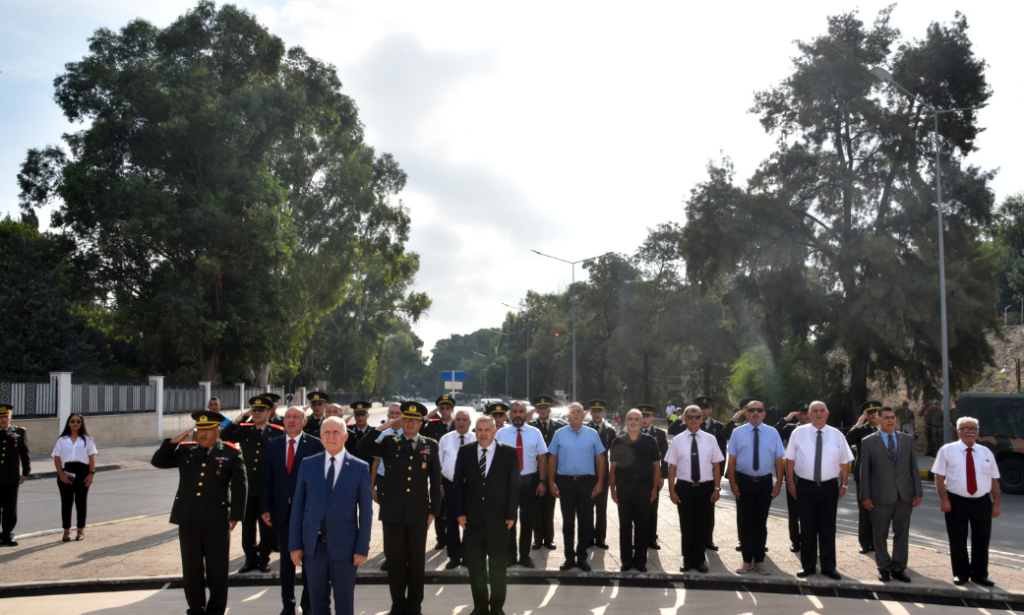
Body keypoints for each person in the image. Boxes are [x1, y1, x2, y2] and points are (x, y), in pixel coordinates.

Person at [151, 410, 246, 615]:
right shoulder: (185, 451)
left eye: (208, 429)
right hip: (188, 518)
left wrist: (236, 515)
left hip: (217, 521)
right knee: (191, 569)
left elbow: (240, 486)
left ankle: (216, 610)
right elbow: (158, 462)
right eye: (200, 429)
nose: (203, 434)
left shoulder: (230, 453)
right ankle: (195, 609)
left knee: (217, 570)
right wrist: (171, 443)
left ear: (217, 431)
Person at [357, 401, 441, 615]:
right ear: (401, 420)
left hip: (418, 513)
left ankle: (414, 605)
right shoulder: (389, 442)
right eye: (406, 419)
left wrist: (433, 511)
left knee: (416, 562)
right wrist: (382, 427)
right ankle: (398, 604)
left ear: (421, 423)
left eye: (414, 420)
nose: (410, 423)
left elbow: (435, 479)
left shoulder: (430, 444)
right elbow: (361, 448)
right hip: (392, 512)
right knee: (395, 562)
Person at [289, 417, 372, 615]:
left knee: (344, 605)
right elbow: (297, 507)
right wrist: (295, 545)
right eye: (327, 432)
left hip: (346, 550)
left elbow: (366, 513)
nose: (331, 436)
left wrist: (362, 548)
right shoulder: (308, 465)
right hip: (313, 549)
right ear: (320, 436)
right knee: (317, 605)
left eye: (336, 432)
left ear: (345, 436)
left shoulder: (360, 468)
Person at [453, 416, 520, 615]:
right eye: (479, 430)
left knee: (498, 566)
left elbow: (514, 486)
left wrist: (511, 513)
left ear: (494, 431)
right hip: (472, 521)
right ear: (475, 431)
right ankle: (480, 606)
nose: (483, 433)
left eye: (487, 430)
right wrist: (459, 512)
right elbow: (457, 484)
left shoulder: (507, 453)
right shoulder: (465, 452)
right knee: (476, 567)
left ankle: (497, 607)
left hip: (499, 520)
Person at [262, 406, 324, 615]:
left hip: (307, 513)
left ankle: (307, 606)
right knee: (287, 563)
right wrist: (265, 507)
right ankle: (288, 606)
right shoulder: (274, 446)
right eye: (287, 417)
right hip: (281, 512)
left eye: (296, 417)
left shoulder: (315, 445)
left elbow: (320, 481)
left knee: (308, 561)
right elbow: (267, 480)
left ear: (304, 422)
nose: (291, 421)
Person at [785, 400, 854, 579]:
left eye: (821, 410)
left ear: (827, 413)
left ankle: (828, 567)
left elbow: (844, 461)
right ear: (808, 414)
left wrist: (844, 484)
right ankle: (808, 566)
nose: (818, 413)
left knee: (827, 529)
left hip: (829, 488)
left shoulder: (836, 434)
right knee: (807, 528)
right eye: (814, 411)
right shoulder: (798, 433)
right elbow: (790, 460)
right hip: (805, 487)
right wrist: (791, 484)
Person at [932, 416, 1002, 587]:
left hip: (982, 502)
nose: (969, 431)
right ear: (958, 432)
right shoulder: (947, 450)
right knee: (957, 539)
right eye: (965, 428)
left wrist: (996, 503)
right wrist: (944, 500)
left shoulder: (986, 453)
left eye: (973, 428)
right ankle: (961, 573)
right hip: (956, 501)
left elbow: (994, 480)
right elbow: (939, 477)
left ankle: (980, 574)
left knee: (982, 539)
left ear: (978, 432)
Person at [221, 395, 286, 573]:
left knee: (266, 526)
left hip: (267, 487)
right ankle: (250, 559)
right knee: (247, 526)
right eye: (254, 410)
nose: (257, 414)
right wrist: (238, 420)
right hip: (246, 488)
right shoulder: (244, 430)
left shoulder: (278, 432)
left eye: (261, 411)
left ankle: (264, 558)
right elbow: (223, 437)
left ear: (268, 412)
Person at [859, 406, 922, 583]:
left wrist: (918, 492)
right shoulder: (869, 442)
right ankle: (884, 567)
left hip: (905, 495)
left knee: (902, 533)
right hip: (880, 495)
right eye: (886, 417)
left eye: (893, 417)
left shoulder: (907, 440)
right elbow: (865, 472)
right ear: (878, 420)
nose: (891, 420)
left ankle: (899, 568)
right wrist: (865, 495)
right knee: (880, 533)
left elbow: (914, 468)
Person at [726, 399, 784, 575]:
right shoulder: (738, 432)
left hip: (765, 483)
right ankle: (746, 560)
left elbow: (778, 460)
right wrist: (733, 483)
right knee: (746, 523)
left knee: (761, 523)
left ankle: (759, 560)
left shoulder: (773, 433)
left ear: (764, 414)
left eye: (759, 410)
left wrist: (779, 482)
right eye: (752, 410)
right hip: (744, 482)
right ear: (747, 413)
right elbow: (732, 460)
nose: (755, 413)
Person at [547, 402, 605, 572]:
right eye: (572, 412)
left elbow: (600, 459)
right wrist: (551, 482)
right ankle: (569, 558)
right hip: (566, 483)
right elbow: (552, 459)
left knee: (586, 522)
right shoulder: (559, 434)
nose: (576, 414)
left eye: (579, 411)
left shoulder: (592, 434)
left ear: (584, 414)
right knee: (568, 522)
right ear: (568, 415)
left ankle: (582, 557)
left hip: (587, 482)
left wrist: (600, 482)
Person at [665, 405, 723, 573]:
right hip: (684, 488)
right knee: (686, 525)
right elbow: (672, 468)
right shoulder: (677, 440)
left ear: (701, 419)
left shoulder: (710, 439)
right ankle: (687, 560)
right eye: (690, 416)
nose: (693, 420)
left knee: (702, 525)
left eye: (697, 416)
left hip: (705, 488)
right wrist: (672, 490)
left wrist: (717, 488)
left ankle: (699, 560)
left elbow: (716, 466)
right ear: (684, 418)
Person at [495, 400, 547, 568]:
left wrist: (542, 481)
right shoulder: (501, 433)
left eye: (521, 411)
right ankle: (510, 555)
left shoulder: (535, 432)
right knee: (509, 520)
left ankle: (525, 556)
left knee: (527, 520)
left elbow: (542, 458)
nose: (518, 414)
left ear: (526, 414)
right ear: (509, 414)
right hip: (507, 483)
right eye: (515, 411)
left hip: (529, 482)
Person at [608, 409, 661, 572]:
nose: (633, 421)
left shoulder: (650, 441)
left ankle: (640, 561)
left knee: (642, 525)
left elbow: (656, 466)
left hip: (644, 488)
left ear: (641, 422)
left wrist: (654, 488)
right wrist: (612, 489)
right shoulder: (617, 441)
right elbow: (613, 468)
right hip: (624, 487)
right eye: (630, 418)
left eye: (636, 419)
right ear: (625, 422)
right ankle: (626, 560)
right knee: (625, 526)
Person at [438, 409, 476, 569]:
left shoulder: (477, 438)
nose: (461, 422)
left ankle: (468, 556)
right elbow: (439, 464)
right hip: (450, 485)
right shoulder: (445, 439)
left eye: (464, 419)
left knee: (470, 522)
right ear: (454, 422)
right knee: (452, 521)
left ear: (470, 422)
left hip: (471, 486)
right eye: (458, 419)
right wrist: (440, 485)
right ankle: (454, 556)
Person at [52, 413, 97, 542]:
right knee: (66, 503)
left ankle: (80, 529)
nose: (75, 423)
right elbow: (57, 458)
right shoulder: (62, 440)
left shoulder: (87, 440)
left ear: (82, 423)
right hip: (67, 473)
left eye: (78, 421)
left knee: (81, 502)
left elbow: (92, 458)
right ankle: (66, 530)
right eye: (73, 421)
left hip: (83, 472)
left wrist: (91, 474)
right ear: (68, 423)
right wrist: (61, 474)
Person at [528, 394, 565, 550]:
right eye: (539, 408)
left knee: (549, 506)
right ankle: (537, 539)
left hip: (553, 472)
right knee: (536, 508)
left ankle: (549, 538)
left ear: (550, 409)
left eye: (545, 408)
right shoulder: (531, 427)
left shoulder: (559, 426)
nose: (542, 411)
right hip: (535, 472)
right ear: (536, 410)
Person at [774, 400, 811, 552]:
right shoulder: (789, 429)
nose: (806, 415)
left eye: (808, 412)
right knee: (794, 511)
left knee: (809, 512)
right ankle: (795, 540)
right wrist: (786, 419)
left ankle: (808, 540)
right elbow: (773, 433)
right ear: (797, 415)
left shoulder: (818, 429)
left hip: (811, 476)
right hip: (793, 475)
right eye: (802, 413)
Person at [846, 400, 881, 554]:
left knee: (881, 511)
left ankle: (878, 542)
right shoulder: (861, 430)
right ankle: (865, 542)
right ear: (865, 415)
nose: (874, 414)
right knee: (865, 511)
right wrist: (859, 423)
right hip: (864, 476)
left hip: (882, 477)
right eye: (870, 412)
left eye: (876, 411)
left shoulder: (886, 428)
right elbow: (847, 441)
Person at [423, 395, 456, 552]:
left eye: (447, 408)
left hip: (456, 471)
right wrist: (429, 415)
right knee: (439, 506)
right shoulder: (432, 425)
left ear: (452, 409)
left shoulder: (460, 424)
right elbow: (419, 430)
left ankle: (453, 537)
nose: (444, 411)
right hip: (437, 471)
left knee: (456, 507)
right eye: (441, 408)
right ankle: (441, 538)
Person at [585, 399, 617, 550]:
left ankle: (600, 538)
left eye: (600, 411)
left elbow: (615, 456)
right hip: (588, 473)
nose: (597, 414)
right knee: (588, 507)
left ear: (604, 413)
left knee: (602, 508)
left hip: (603, 475)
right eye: (594, 411)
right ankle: (589, 537)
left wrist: (613, 477)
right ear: (590, 412)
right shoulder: (584, 429)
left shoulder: (610, 431)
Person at [638, 404, 668, 550]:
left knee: (652, 508)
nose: (644, 419)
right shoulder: (632, 432)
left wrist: (662, 476)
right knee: (636, 509)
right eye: (642, 416)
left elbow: (665, 457)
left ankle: (651, 538)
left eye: (647, 416)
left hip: (653, 476)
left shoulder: (660, 434)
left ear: (652, 418)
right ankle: (638, 538)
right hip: (636, 477)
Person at [0, 404, 29, 547]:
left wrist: (26, 472)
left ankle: (6, 536)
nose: (3, 419)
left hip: (11, 478)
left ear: (10, 417)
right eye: (0, 417)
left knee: (10, 509)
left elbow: (24, 454)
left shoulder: (18, 432)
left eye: (5, 416)